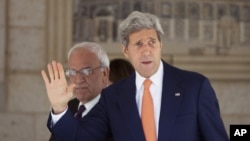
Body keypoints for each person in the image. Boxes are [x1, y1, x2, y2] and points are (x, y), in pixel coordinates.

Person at [42, 11, 229, 141]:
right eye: (139, 44)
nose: (147, 50)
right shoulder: (112, 97)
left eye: (152, 42)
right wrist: (59, 108)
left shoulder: (194, 86)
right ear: (125, 50)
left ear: (160, 46)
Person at [46, 42, 110, 141]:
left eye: (87, 71)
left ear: (104, 74)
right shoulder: (68, 107)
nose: (79, 79)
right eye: (73, 72)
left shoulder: (117, 111)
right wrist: (59, 108)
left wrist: (60, 112)